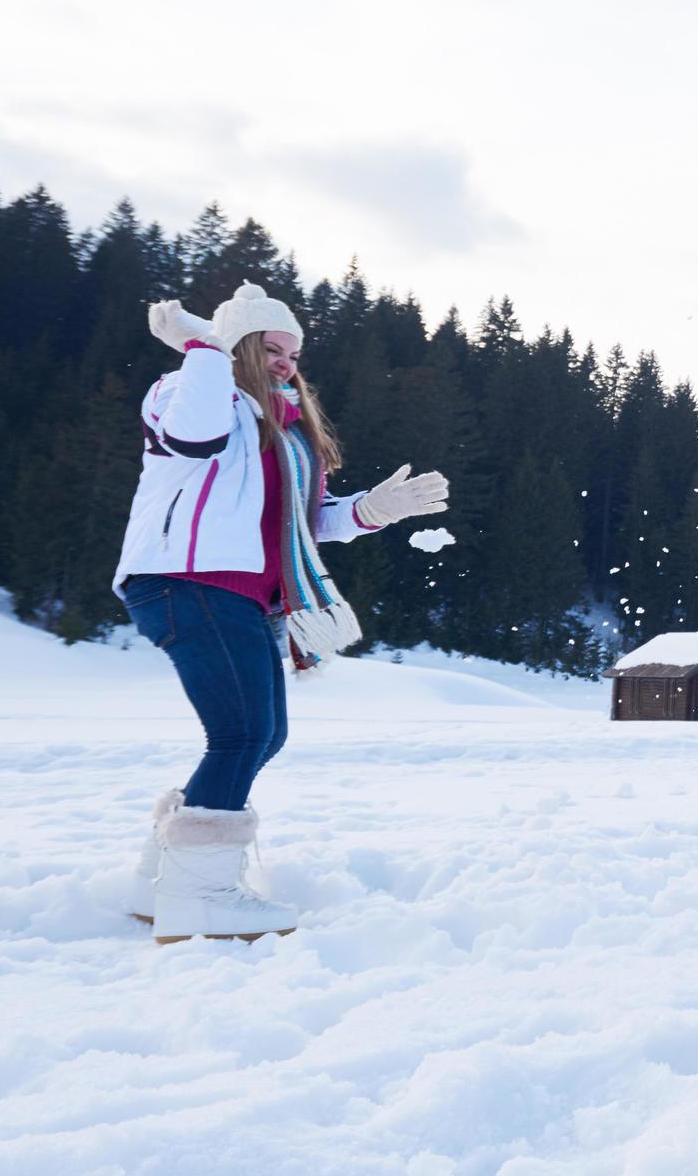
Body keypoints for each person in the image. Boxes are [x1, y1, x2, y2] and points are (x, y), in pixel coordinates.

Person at [112, 283, 450, 941]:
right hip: (187, 582)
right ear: (235, 347)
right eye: (271, 348)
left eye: (294, 353)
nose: (287, 363)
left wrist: (371, 510)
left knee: (262, 735)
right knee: (239, 734)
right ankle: (198, 897)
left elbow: (300, 521)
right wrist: (204, 345)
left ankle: (163, 878)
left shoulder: (288, 434)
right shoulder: (188, 393)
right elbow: (195, 437)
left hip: (242, 597)